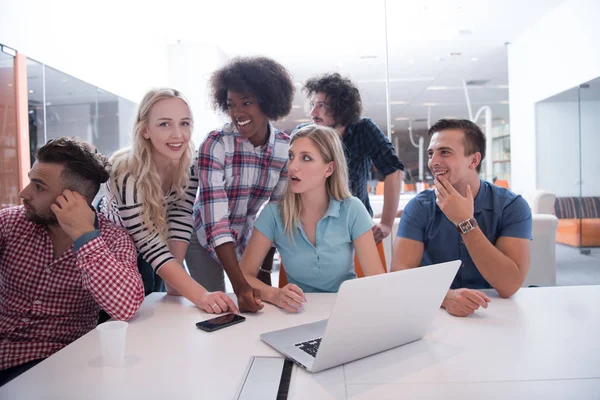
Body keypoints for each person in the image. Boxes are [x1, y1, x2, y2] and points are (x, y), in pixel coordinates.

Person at [0, 137, 144, 386]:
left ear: (73, 199)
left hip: (50, 369)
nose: (25, 193)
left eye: (39, 186)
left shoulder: (113, 240)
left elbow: (126, 306)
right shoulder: (11, 223)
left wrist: (84, 236)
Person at [98, 88, 237, 314]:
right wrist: (201, 295)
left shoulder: (189, 165)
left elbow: (180, 217)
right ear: (145, 130)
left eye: (184, 123)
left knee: (163, 307)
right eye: (164, 124)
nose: (178, 134)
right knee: (125, 315)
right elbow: (148, 244)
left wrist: (175, 281)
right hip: (113, 249)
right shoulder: (125, 173)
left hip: (155, 244)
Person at [185, 56, 295, 313]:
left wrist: (263, 275)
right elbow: (216, 223)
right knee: (218, 309)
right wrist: (241, 285)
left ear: (268, 103)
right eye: (231, 104)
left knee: (257, 306)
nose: (237, 113)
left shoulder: (284, 148)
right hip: (203, 237)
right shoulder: (215, 144)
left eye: (246, 103)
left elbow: (273, 217)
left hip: (245, 238)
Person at [391, 119, 532, 317]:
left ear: (473, 160)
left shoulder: (512, 207)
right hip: (434, 312)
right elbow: (400, 274)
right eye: (431, 153)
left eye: (445, 152)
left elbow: (509, 286)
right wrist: (445, 297)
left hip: (497, 313)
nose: (433, 162)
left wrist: (465, 222)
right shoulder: (419, 207)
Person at [240, 125, 385, 312]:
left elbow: (376, 279)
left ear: (329, 169)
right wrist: (273, 294)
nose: (292, 166)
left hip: (345, 310)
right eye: (291, 156)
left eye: (306, 158)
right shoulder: (273, 214)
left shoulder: (352, 209)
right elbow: (243, 275)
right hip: (295, 313)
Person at [297, 73, 405, 246]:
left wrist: (386, 223)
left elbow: (394, 170)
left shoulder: (363, 129)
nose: (313, 112)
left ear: (341, 109)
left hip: (356, 229)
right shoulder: (304, 133)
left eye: (322, 105)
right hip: (312, 229)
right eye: (312, 104)